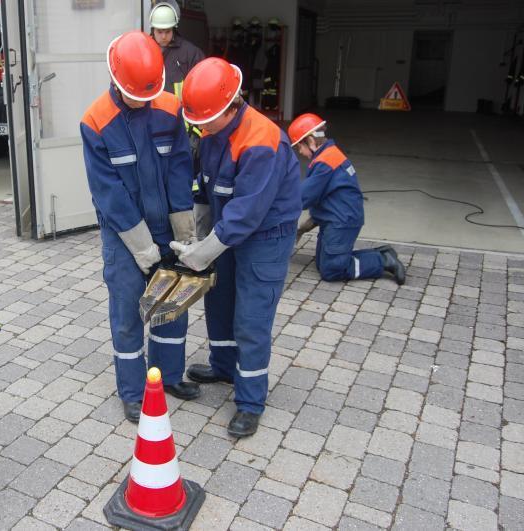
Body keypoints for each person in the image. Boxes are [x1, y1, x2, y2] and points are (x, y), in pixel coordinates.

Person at [170, 58, 301, 438]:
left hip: (266, 236)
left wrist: (204, 251)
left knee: (252, 317)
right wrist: (197, 232)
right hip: (228, 227)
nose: (201, 128)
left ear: (231, 106)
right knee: (220, 300)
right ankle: (224, 366)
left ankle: (249, 401)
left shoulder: (262, 141)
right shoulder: (213, 132)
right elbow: (208, 188)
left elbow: (246, 213)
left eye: (206, 120)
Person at [80, 31, 200, 423]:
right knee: (128, 314)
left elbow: (181, 167)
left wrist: (184, 231)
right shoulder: (96, 122)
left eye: (151, 93)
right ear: (117, 81)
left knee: (172, 306)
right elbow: (108, 194)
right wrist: (144, 250)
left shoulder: (168, 108)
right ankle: (133, 391)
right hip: (124, 236)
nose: (145, 102)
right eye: (137, 95)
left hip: (166, 227)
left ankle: (168, 376)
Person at [289, 113, 406, 284]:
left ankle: (383, 261)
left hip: (342, 222)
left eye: (299, 146)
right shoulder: (328, 155)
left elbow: (302, 198)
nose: (300, 152)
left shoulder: (325, 162)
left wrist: (277, 206)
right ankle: (381, 254)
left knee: (331, 271)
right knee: (323, 264)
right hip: (334, 220)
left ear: (311, 140)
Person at [149, 0, 205, 97]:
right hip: (151, 111)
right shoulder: (144, 52)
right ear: (152, 29)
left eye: (167, 31)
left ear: (174, 28)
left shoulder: (190, 54)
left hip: (178, 111)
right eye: (159, 31)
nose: (163, 36)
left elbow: (202, 87)